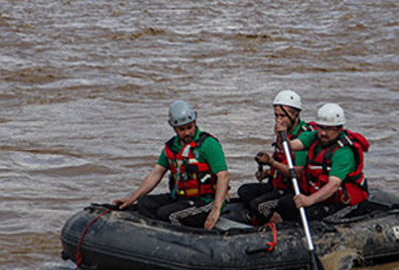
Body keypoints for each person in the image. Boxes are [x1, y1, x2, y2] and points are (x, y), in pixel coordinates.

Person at [113, 100, 230, 230]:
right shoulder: (171, 147)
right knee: (144, 204)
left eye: (189, 127)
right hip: (181, 198)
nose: (187, 133)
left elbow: (223, 176)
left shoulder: (208, 145)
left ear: (195, 123)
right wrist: (132, 198)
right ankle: (154, 236)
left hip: (205, 201)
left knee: (170, 215)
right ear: (174, 128)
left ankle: (184, 241)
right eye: (182, 129)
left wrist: (216, 208)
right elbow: (156, 173)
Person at [265, 102, 372, 222]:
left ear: (339, 129)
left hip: (343, 202)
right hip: (323, 197)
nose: (323, 133)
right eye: (321, 127)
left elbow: (333, 185)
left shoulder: (343, 153)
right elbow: (291, 146)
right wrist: (282, 135)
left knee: (311, 214)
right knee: (286, 204)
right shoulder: (315, 137)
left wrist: (309, 200)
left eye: (329, 129)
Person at [237, 90, 316, 225]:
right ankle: (264, 218)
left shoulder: (303, 137)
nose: (278, 120)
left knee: (259, 205)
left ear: (295, 115)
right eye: (276, 116)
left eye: (282, 116)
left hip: (293, 190)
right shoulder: (282, 132)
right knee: (244, 191)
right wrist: (267, 173)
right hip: (278, 185)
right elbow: (282, 163)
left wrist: (271, 162)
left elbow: (297, 172)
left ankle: (279, 223)